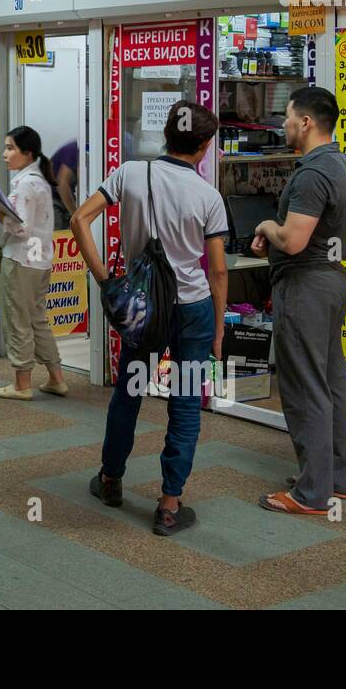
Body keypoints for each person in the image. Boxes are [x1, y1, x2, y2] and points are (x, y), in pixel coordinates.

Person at [71, 101, 228, 537]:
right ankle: (170, 505)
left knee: (129, 392)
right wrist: (217, 329)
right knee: (183, 402)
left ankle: (110, 479)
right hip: (192, 310)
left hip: (143, 308)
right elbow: (216, 270)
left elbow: (80, 218)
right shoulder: (208, 197)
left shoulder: (130, 174)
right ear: (204, 146)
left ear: (165, 134)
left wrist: (105, 280)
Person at [252, 86, 346, 516]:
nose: (283, 124)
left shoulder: (313, 173)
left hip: (305, 287)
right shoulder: (342, 165)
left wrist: (266, 225)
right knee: (332, 381)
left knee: (304, 388)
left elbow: (294, 240)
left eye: (288, 117)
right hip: (331, 281)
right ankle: (336, 476)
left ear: (307, 122)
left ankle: (312, 493)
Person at [0, 126, 69, 400]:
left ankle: (21, 383)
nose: (5, 154)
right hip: (39, 261)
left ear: (27, 153)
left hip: (20, 260)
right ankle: (56, 378)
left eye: (10, 148)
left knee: (17, 320)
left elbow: (21, 229)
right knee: (37, 319)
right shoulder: (38, 180)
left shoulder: (24, 183)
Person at [49, 139, 79, 229]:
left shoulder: (78, 150)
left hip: (58, 199)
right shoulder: (74, 150)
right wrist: (75, 214)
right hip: (51, 200)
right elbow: (62, 184)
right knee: (55, 238)